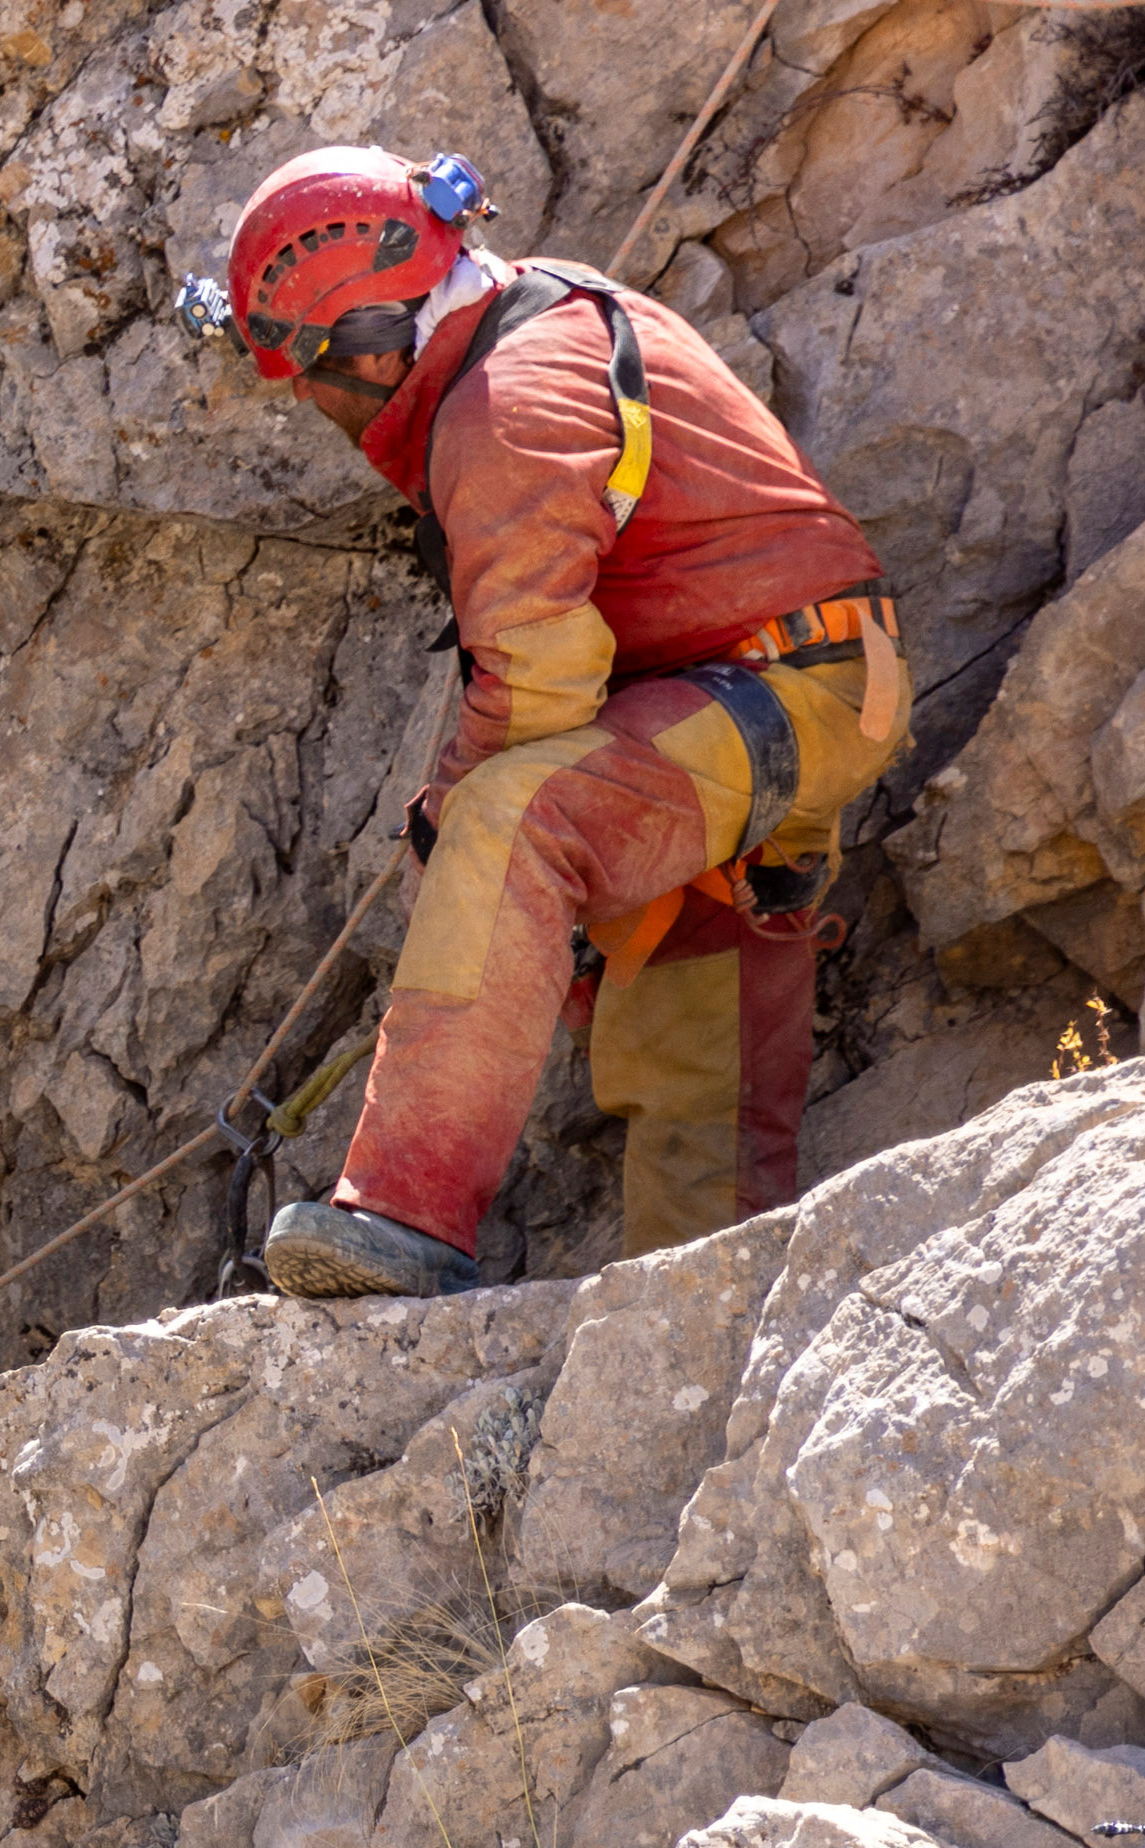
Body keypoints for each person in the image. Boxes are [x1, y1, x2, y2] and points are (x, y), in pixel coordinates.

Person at [183, 147, 906, 1297]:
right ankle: (696, 1316)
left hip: (779, 688)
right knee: (688, 1040)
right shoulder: (537, 319)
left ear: (372, 346)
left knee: (506, 822)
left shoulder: (502, 405)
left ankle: (403, 1214)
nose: (313, 406)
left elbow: (535, 681)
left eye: (310, 377)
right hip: (777, 687)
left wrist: (445, 823)